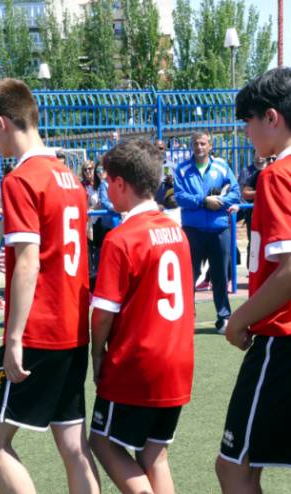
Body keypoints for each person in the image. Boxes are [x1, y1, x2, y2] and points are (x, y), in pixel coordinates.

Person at [0, 78, 100, 494]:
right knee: (73, 445)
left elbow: (29, 262)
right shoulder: (69, 177)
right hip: (72, 327)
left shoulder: (20, 179)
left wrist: (13, 338)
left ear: (2, 123)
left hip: (39, 331)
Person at [88, 140, 195, 494]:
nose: (106, 188)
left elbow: (103, 313)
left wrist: (97, 355)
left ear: (120, 184)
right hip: (178, 359)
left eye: (108, 181)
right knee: (154, 455)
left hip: (138, 362)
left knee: (102, 442)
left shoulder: (121, 238)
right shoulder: (177, 233)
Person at [215, 67, 291, 493]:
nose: (245, 131)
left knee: (235, 468)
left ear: (272, 117)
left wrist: (239, 318)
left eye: (248, 120)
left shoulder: (278, 175)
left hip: (282, 341)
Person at [174, 131, 240, 333]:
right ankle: (187, 318)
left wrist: (219, 201)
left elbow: (235, 192)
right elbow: (179, 196)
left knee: (220, 277)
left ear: (210, 146)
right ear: (191, 146)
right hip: (192, 231)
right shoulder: (182, 169)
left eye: (203, 143)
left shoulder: (221, 166)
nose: (199, 147)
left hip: (219, 230)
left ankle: (223, 318)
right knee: (189, 277)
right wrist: (204, 201)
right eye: (196, 143)